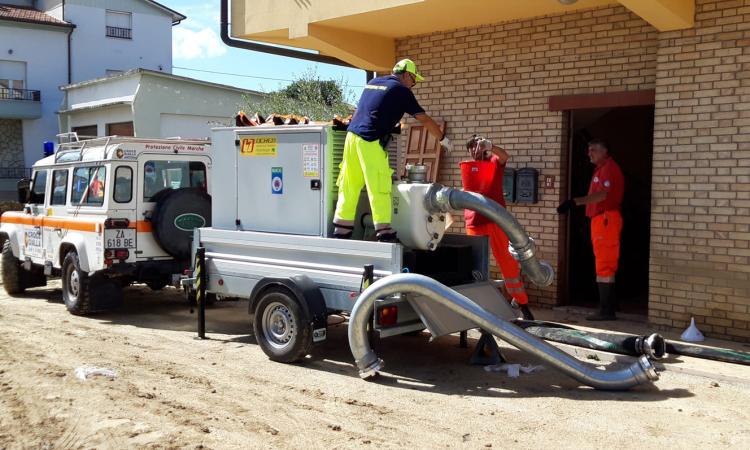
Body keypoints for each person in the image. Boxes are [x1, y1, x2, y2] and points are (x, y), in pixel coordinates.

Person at [333, 58, 451, 242]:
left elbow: (360, 112)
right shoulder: (401, 90)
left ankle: (341, 232)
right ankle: (384, 233)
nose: (414, 85)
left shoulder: (373, 83)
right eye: (414, 80)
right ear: (406, 75)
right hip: (370, 140)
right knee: (379, 186)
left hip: (351, 137)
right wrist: (442, 139)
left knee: (349, 185)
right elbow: (424, 120)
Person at [460, 136, 533, 320]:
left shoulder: (493, 162)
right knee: (474, 266)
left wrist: (490, 146)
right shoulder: (468, 167)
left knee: (508, 263)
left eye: (477, 146)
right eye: (471, 148)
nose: (474, 150)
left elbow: (504, 156)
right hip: (474, 222)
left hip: (495, 219)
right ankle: (477, 308)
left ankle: (523, 305)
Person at [557, 139, 624, 321]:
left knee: (605, 263)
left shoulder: (609, 168)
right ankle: (608, 306)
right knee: (604, 262)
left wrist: (574, 202)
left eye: (593, 150)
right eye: (588, 150)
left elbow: (602, 195)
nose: (589, 153)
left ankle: (606, 310)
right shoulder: (601, 169)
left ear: (605, 151)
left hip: (606, 219)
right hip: (600, 220)